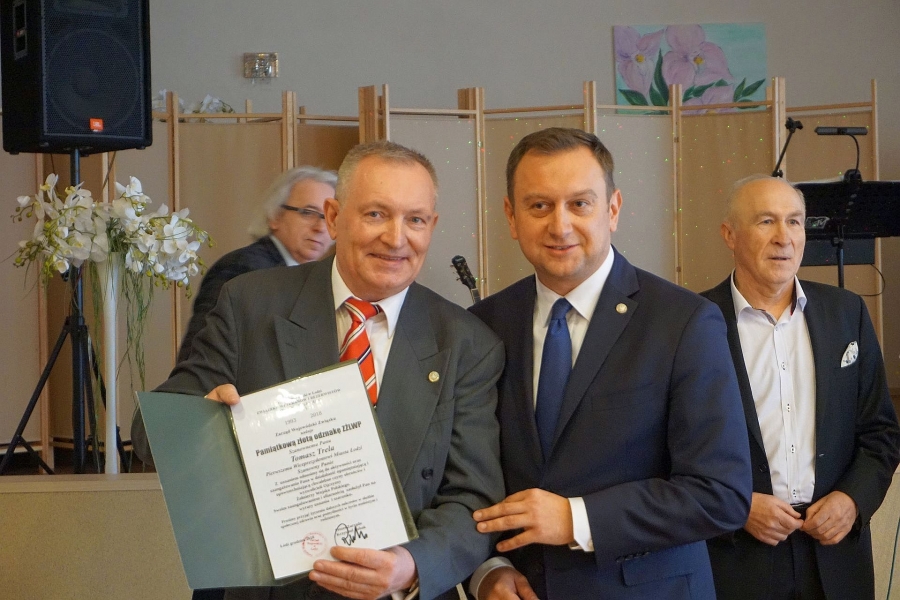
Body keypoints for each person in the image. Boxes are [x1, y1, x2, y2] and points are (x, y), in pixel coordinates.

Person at [133, 141, 505, 600]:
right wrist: (200, 425)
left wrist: (411, 565)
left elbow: (473, 497)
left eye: (415, 220)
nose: (396, 238)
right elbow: (152, 430)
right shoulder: (250, 303)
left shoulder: (467, 343)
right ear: (333, 217)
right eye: (376, 214)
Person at [467, 127, 752, 599]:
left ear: (613, 209)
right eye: (539, 206)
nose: (560, 226)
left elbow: (720, 493)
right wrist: (486, 570)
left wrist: (576, 518)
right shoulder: (483, 325)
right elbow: (467, 479)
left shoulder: (683, 322)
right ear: (511, 216)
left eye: (580, 204)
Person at [703, 175, 900, 599]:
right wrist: (738, 507)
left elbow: (881, 432)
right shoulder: (692, 322)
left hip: (835, 554)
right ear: (730, 235)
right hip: (735, 558)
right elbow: (670, 447)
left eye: (794, 222)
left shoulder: (847, 312)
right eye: (766, 221)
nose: (784, 237)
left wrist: (852, 500)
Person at [176, 166, 337, 364]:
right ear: (275, 216)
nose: (320, 227)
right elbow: (200, 358)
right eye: (308, 213)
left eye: (329, 218)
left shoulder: (320, 280)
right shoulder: (243, 269)